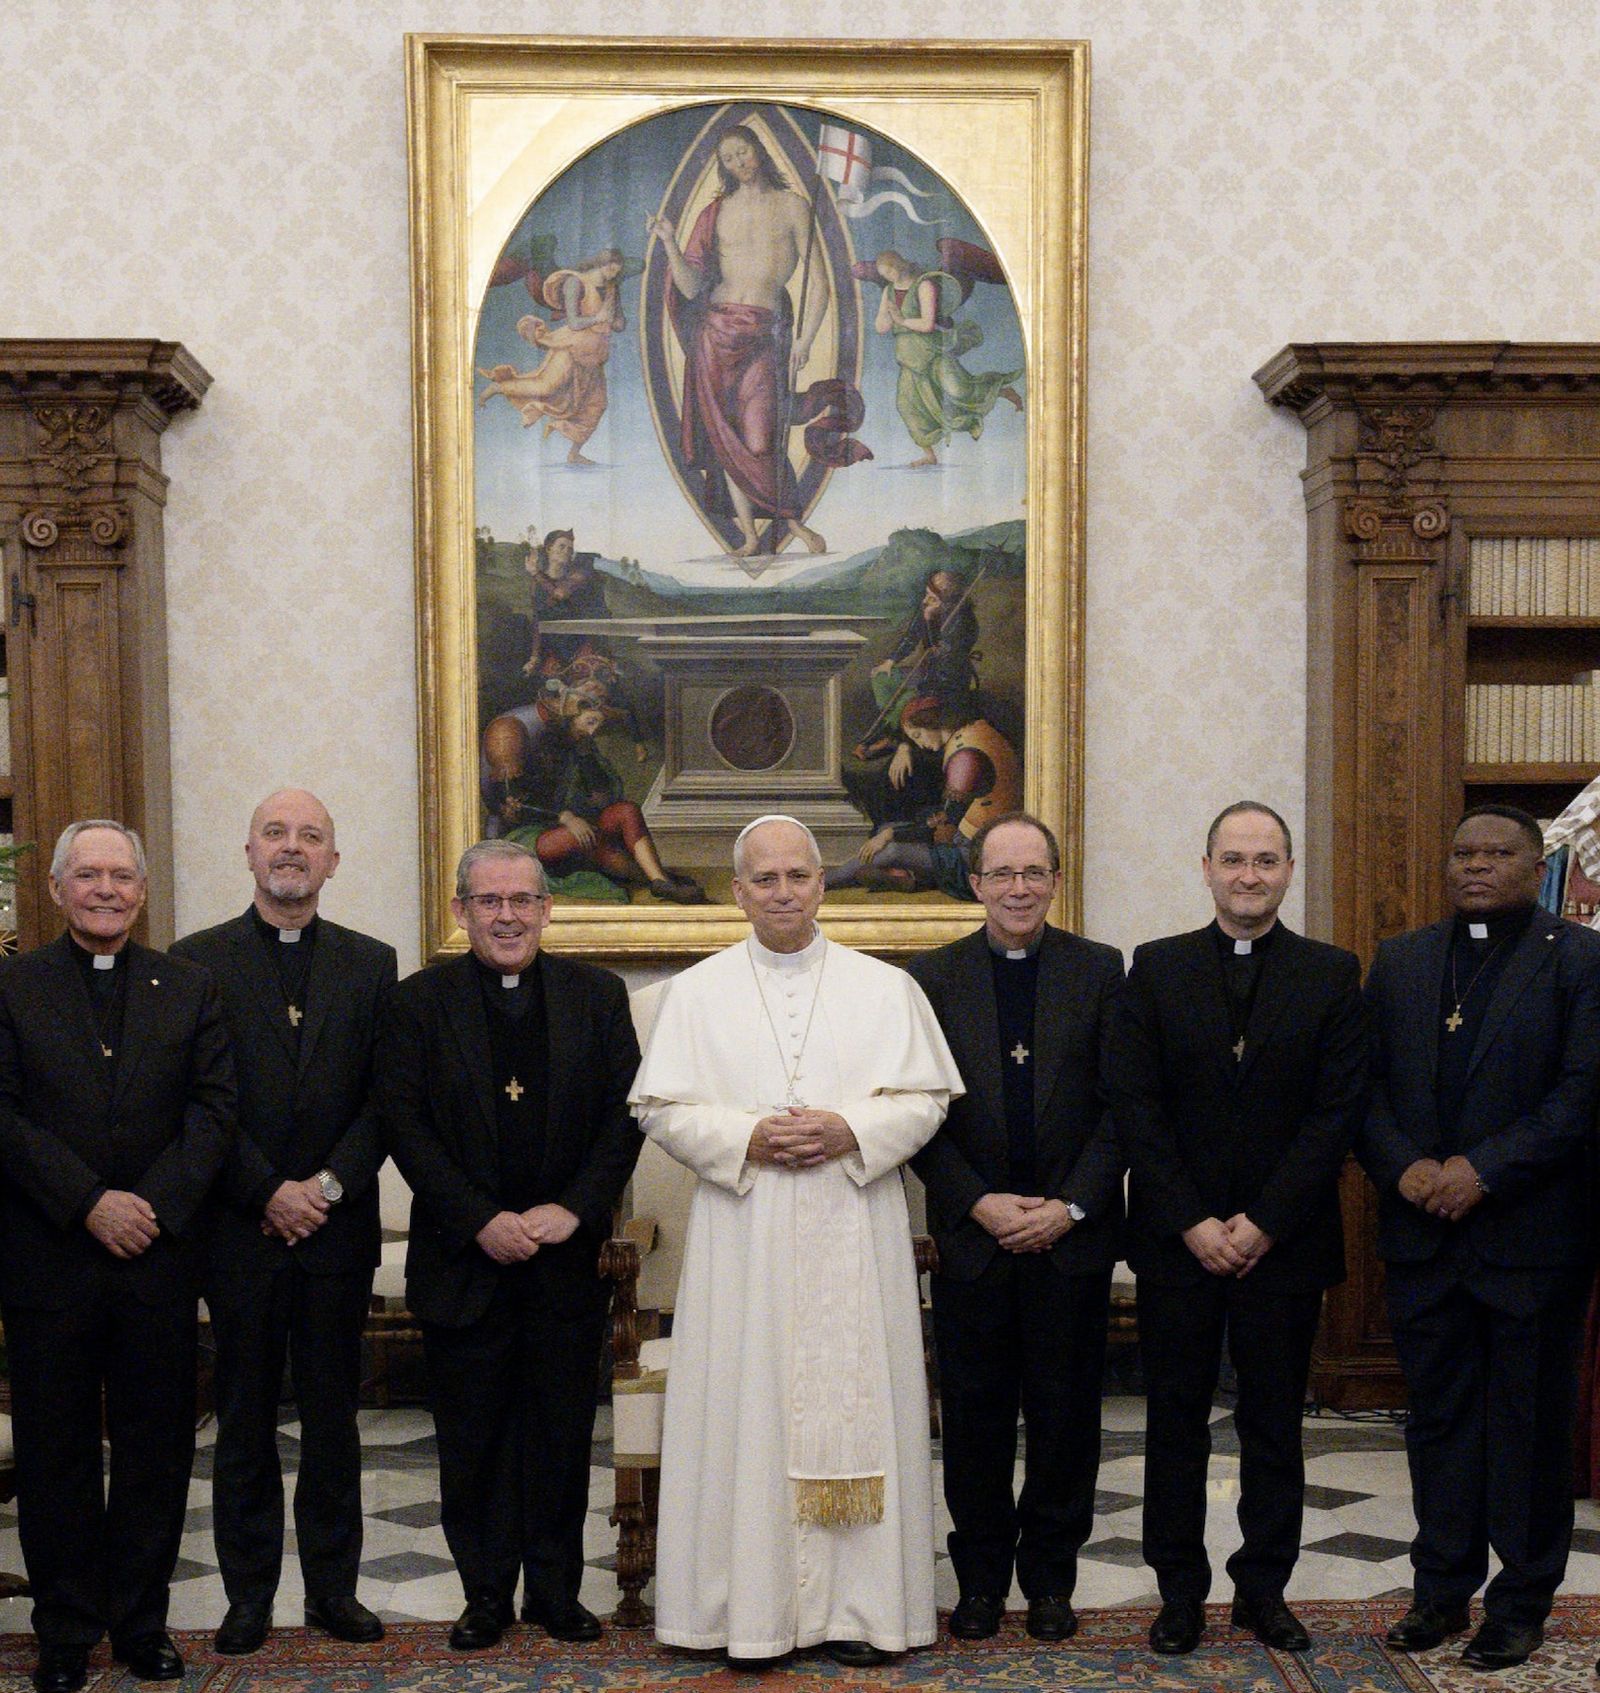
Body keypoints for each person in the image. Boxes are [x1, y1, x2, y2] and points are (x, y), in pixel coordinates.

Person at [629, 814, 962, 1666]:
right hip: (746, 1233)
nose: (783, 892)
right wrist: (748, 1139)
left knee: (859, 1410)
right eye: (765, 879)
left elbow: (927, 1097)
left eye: (799, 876)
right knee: (747, 1409)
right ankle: (747, 1613)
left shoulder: (886, 989)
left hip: (854, 1223)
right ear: (739, 890)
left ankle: (863, 1610)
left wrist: (849, 1128)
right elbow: (660, 1106)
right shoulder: (694, 993)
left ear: (823, 883)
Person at [1109, 801, 1365, 1658]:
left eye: (1266, 860)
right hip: (1179, 1245)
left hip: (1282, 1246)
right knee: (1175, 1421)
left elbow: (1334, 1116)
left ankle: (1264, 1589)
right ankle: (1180, 1590)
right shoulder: (1156, 967)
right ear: (1207, 866)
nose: (1248, 875)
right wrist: (1191, 1219)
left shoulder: (1331, 973)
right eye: (1234, 859)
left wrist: (1260, 1222)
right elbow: (1136, 1107)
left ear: (1288, 870)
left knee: (1271, 1425)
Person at [379, 840, 642, 1651]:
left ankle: (558, 1592)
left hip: (564, 1261)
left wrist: (573, 1208)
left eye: (522, 899)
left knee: (561, 1435)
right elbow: (404, 1124)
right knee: (474, 1439)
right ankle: (485, 1595)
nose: (507, 915)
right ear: (461, 911)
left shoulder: (597, 996)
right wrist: (478, 1218)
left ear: (547, 907)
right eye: (488, 901)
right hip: (466, 1260)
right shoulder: (418, 1003)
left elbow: (625, 1117)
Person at [1359, 805, 1600, 1673]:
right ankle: (1439, 1589)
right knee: (1438, 1424)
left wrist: (1481, 1170)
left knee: (1529, 1427)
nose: (1476, 866)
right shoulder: (1405, 960)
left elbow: (1581, 1095)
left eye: (1498, 853)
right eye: (1462, 851)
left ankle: (1520, 1601)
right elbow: (1366, 1087)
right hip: (1423, 1235)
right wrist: (1407, 1169)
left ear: (1535, 866)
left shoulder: (1578, 960)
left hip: (1530, 1240)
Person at [0, 821, 234, 1693]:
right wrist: (88, 1201)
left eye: (121, 875)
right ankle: (64, 1630)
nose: (106, 889)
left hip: (156, 1263)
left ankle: (140, 1623)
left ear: (142, 889)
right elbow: (3, 1115)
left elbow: (214, 1112)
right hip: (48, 1261)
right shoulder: (13, 986)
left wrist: (150, 1208)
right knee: (55, 1452)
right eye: (88, 874)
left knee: (155, 1449)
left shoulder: (191, 986)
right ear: (58, 888)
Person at [170, 790, 396, 1655]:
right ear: (250, 853)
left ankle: (335, 1591)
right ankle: (247, 1597)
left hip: (336, 1235)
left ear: (333, 860)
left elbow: (385, 1099)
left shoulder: (373, 963)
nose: (292, 849)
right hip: (240, 1232)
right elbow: (201, 1100)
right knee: (245, 1418)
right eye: (276, 834)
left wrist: (326, 1188)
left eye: (310, 836)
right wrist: (269, 1190)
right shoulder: (197, 963)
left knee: (337, 1420)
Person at [906, 812, 1124, 1642]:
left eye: (1034, 873)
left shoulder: (1101, 970)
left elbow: (1122, 1106)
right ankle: (982, 1580)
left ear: (1056, 881)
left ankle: (1052, 1581)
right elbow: (918, 1112)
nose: (1018, 889)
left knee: (1067, 1417)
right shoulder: (931, 977)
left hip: (1071, 1236)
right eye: (1002, 874)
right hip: (975, 1238)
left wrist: (1070, 1205)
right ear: (975, 882)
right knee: (975, 1417)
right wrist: (978, 1202)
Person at [647, 126, 868, 557]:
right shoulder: (715, 212)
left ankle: (794, 525)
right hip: (714, 334)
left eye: (742, 153)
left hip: (765, 335)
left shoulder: (793, 206)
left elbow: (820, 283)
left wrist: (805, 338)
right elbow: (691, 288)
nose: (738, 163)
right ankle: (750, 535)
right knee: (726, 440)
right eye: (728, 159)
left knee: (760, 439)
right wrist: (671, 242)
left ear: (759, 151)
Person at [480, 694, 706, 902]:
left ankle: (660, 881)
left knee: (627, 810)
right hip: (530, 834)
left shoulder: (581, 747)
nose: (594, 731)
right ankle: (657, 879)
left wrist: (587, 758)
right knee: (587, 837)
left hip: (575, 822)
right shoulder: (539, 745)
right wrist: (565, 817)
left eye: (599, 724)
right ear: (570, 717)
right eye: (589, 722)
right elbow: (513, 805)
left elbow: (601, 795)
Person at [827, 695, 1019, 896]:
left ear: (933, 722)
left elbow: (948, 819)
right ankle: (910, 877)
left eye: (918, 735)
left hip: (980, 859)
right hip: (976, 839)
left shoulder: (966, 757)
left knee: (892, 848)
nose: (919, 744)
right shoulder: (972, 732)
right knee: (888, 829)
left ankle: (826, 881)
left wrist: (890, 836)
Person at [872, 249, 1022, 467]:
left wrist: (901, 320)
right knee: (907, 406)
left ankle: (1000, 389)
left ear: (898, 265)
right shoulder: (888, 291)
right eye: (884, 275)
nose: (887, 277)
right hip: (908, 357)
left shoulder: (924, 286)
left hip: (932, 352)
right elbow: (880, 326)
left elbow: (927, 324)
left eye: (889, 272)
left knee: (958, 389)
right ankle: (930, 455)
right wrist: (887, 317)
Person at [477, 250, 628, 466]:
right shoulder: (575, 283)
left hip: (594, 353)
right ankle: (498, 388)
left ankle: (574, 454)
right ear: (600, 264)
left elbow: (620, 323)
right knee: (546, 387)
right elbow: (574, 323)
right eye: (611, 268)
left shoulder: (613, 289)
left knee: (597, 404)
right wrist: (598, 318)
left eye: (617, 270)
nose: (613, 274)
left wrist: (615, 321)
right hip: (571, 346)